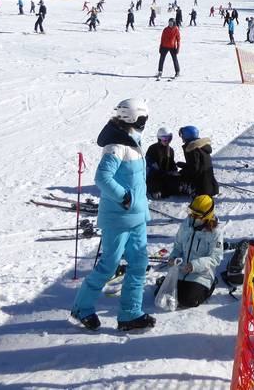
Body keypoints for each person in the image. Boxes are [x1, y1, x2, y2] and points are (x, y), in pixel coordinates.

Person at [70, 98, 155, 332]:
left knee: (139, 264)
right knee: (109, 265)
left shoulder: (133, 141)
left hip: (137, 217)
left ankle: (130, 314)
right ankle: (81, 308)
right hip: (118, 218)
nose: (145, 122)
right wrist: (124, 197)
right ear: (134, 118)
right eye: (143, 118)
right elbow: (102, 177)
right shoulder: (116, 146)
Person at [166, 195, 224, 308]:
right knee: (166, 296)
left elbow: (215, 258)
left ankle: (211, 285)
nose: (192, 216)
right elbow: (178, 246)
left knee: (188, 300)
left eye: (197, 215)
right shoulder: (186, 224)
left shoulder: (215, 233)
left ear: (207, 215)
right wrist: (173, 257)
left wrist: (194, 265)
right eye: (192, 212)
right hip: (182, 270)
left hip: (201, 275)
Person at [178, 126, 219, 197]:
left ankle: (188, 188)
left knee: (177, 178)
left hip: (201, 189)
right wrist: (184, 165)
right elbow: (199, 165)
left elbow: (194, 170)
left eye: (182, 135)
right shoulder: (202, 147)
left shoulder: (193, 149)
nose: (182, 138)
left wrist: (182, 170)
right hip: (211, 186)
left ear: (186, 136)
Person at [145, 127, 182, 198]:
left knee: (177, 185)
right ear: (159, 139)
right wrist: (164, 172)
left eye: (169, 139)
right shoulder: (152, 149)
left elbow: (171, 163)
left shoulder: (170, 150)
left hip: (166, 175)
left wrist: (174, 171)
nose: (167, 141)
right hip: (154, 175)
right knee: (156, 184)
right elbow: (150, 165)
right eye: (164, 139)